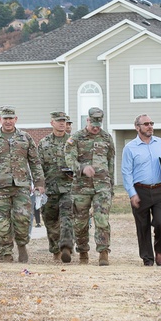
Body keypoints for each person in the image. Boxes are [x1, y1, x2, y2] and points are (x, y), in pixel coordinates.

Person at [0, 106, 44, 263]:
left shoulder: (25, 138)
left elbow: (35, 162)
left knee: (23, 219)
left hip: (21, 187)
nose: (8, 121)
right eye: (5, 118)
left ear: (15, 119)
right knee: (1, 222)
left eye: (10, 118)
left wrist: (39, 182)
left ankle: (21, 246)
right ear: (0, 120)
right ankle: (6, 251)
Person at [121, 114, 161, 267]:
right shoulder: (130, 148)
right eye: (146, 124)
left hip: (159, 190)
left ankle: (159, 250)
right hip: (140, 191)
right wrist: (132, 194)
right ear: (137, 127)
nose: (150, 126)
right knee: (142, 226)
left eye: (151, 123)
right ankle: (148, 259)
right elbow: (126, 173)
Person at [66, 107, 116, 266]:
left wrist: (111, 186)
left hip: (102, 187)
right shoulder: (76, 138)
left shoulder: (107, 138)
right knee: (80, 222)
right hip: (81, 187)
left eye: (98, 123)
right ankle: (83, 252)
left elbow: (111, 163)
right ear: (87, 120)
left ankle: (103, 252)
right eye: (93, 123)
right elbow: (69, 159)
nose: (96, 127)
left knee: (102, 219)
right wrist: (82, 168)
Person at [37, 111, 76, 263]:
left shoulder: (73, 142)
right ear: (52, 122)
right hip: (49, 189)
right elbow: (38, 166)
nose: (62, 123)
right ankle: (55, 250)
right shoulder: (43, 143)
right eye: (59, 121)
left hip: (68, 188)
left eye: (64, 121)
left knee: (67, 217)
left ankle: (66, 246)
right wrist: (39, 184)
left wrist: (76, 172)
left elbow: (80, 162)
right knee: (50, 221)